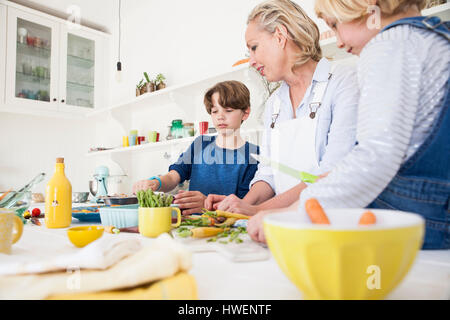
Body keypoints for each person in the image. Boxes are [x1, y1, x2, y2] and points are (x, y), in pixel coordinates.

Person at [251, 0, 450, 248]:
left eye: (335, 24)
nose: (340, 42)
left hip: (424, 226)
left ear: (368, 4)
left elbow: (374, 158)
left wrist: (295, 213)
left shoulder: (388, 47)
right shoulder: (434, 36)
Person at [205, 0, 359, 218]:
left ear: (280, 36)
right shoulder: (274, 103)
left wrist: (257, 210)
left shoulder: (342, 82)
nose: (251, 61)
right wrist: (236, 208)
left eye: (254, 48)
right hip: (285, 223)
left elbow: (331, 172)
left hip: (334, 222)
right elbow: (268, 172)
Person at [132, 80, 259, 215]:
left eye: (228, 110)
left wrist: (207, 206)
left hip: (227, 230)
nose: (220, 117)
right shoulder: (201, 143)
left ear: (245, 113)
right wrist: (156, 183)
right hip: (190, 225)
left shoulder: (254, 155)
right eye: (215, 111)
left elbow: (243, 206)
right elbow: (174, 176)